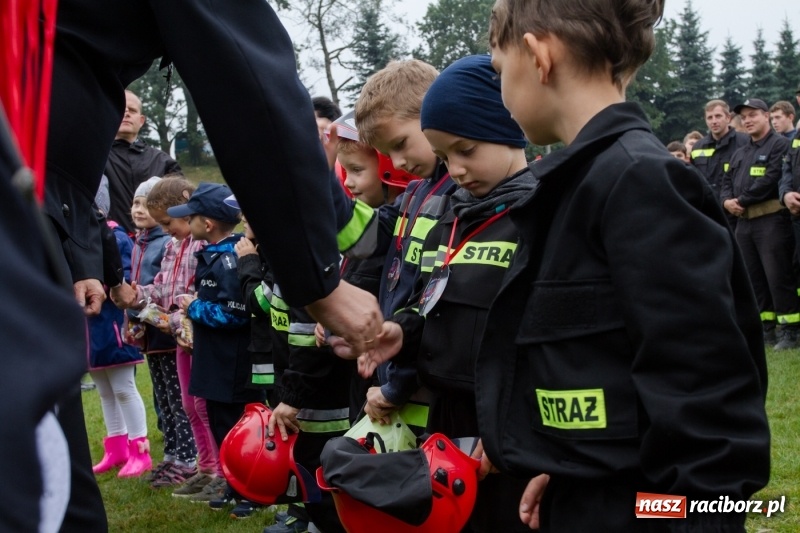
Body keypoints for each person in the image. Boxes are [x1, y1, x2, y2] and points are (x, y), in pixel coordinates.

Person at [353, 1, 771, 531]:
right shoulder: (577, 186)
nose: (501, 92)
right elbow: (608, 362)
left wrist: (662, 512)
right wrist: (574, 463)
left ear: (538, 56)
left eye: (501, 71)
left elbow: (708, 417)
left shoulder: (639, 182)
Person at [333, 54, 535, 532]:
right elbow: (430, 296)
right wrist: (399, 332)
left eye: (402, 144)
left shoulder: (533, 210)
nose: (456, 169)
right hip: (438, 402)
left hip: (493, 413)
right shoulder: (435, 199)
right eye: (447, 157)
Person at [349, 59, 458, 428]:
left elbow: (436, 305)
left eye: (400, 144)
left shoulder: (460, 194)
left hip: (427, 391)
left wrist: (398, 386)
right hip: (396, 379)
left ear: (434, 111)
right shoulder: (412, 195)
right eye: (386, 153)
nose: (396, 162)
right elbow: (362, 236)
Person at [166, 183, 267, 508]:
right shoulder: (213, 255)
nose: (188, 222)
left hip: (232, 364)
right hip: (214, 362)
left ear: (206, 224)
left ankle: (252, 490)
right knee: (223, 428)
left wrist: (193, 307)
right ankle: (233, 485)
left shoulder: (229, 260)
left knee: (238, 429)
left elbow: (236, 314)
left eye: (191, 217)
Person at [118, 177, 202, 488]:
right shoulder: (172, 246)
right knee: (165, 399)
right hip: (159, 333)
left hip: (179, 338)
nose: (166, 229)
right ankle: (172, 455)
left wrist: (174, 320)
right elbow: (162, 287)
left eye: (168, 221)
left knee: (183, 401)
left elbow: (192, 292)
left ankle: (188, 458)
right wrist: (138, 295)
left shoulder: (200, 245)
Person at [722, 98, 797, 350]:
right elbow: (726, 181)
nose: (748, 120)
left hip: (771, 220)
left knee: (778, 276)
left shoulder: (780, 145)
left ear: (767, 116)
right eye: (744, 117)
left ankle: (790, 330)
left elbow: (771, 178)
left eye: (753, 114)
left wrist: (740, 199)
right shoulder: (740, 152)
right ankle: (767, 329)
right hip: (744, 222)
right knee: (754, 279)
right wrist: (725, 202)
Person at [87, 186, 151, 478]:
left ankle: (140, 449)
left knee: (123, 387)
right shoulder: (79, 236)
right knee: (104, 389)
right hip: (90, 328)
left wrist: (98, 287)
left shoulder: (116, 236)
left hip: (113, 323)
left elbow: (123, 278)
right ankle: (116, 447)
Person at [104, 90, 181, 234]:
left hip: (159, 245)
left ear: (141, 120)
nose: (126, 113)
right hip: (111, 242)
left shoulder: (163, 161)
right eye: (121, 109)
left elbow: (180, 205)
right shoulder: (97, 158)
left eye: (132, 110)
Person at [690, 99, 749, 229]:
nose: (714, 121)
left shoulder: (745, 142)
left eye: (718, 116)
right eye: (709, 117)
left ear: (728, 118)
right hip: (708, 214)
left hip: (738, 213)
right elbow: (694, 181)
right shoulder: (698, 147)